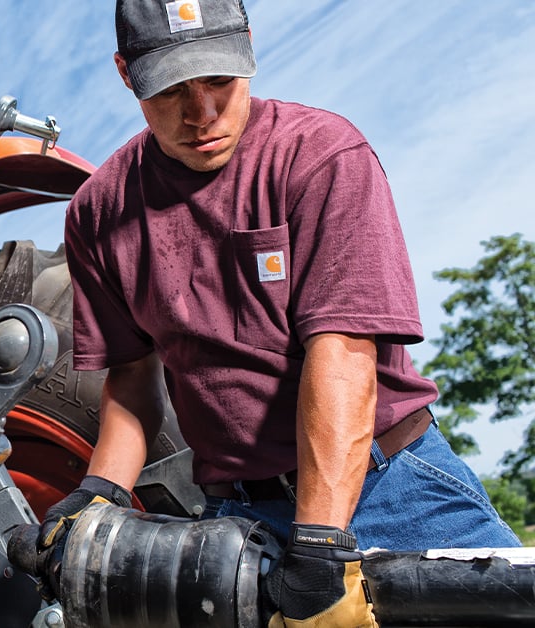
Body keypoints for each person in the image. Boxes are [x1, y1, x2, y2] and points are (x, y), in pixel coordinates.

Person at [40, 0, 521, 624]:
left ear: (248, 50)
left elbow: (343, 354)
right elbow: (132, 378)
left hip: (392, 485)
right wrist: (96, 495)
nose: (202, 113)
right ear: (126, 74)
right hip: (236, 522)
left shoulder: (321, 155)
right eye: (172, 89)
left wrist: (321, 544)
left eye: (219, 80)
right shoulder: (99, 213)